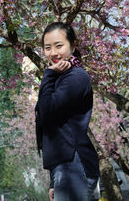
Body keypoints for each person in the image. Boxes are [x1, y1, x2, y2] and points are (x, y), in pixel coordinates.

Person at [35, 22, 100, 201]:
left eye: (59, 45)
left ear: (73, 44)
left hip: (74, 163)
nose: (53, 53)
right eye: (47, 48)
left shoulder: (76, 77)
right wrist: (53, 181)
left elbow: (47, 111)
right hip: (65, 165)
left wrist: (48, 74)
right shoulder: (59, 78)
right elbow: (53, 130)